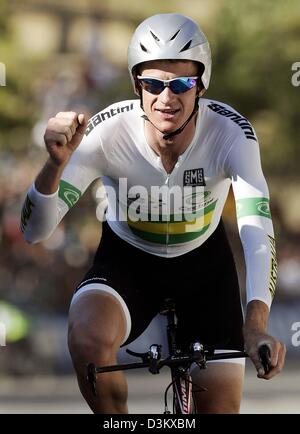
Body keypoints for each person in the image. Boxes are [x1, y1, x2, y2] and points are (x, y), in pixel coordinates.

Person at [20, 13, 286, 413]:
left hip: (204, 269)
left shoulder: (231, 134)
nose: (167, 97)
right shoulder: (106, 134)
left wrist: (256, 327)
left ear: (202, 86)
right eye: (153, 84)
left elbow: (256, 230)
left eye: (182, 83)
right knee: (87, 337)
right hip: (127, 261)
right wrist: (54, 165)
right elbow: (34, 232)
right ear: (136, 86)